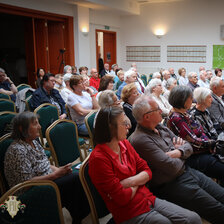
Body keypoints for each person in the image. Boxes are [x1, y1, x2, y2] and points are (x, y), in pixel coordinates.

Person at [89, 106, 200, 224]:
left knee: (193, 219)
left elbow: (147, 171)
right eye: (124, 123)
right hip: (128, 212)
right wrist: (140, 180)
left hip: (147, 198)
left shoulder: (124, 144)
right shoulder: (99, 159)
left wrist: (130, 182)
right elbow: (121, 198)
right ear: (110, 128)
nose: (128, 126)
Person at [129, 94, 224, 224]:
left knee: (222, 195)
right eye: (157, 109)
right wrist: (182, 154)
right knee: (218, 210)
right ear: (147, 116)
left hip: (187, 171)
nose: (161, 111)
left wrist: (178, 152)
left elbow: (188, 146)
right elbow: (171, 167)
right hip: (172, 184)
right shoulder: (140, 139)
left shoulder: (159, 127)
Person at [4, 112, 90, 224]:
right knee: (73, 179)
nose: (39, 127)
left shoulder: (33, 141)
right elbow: (26, 184)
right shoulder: (17, 150)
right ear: (22, 128)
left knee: (74, 176)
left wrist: (58, 170)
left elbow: (44, 163)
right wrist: (56, 175)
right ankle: (79, 216)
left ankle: (78, 215)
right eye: (35, 124)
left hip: (46, 182)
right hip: (31, 193)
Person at [167, 85, 224, 183]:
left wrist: (212, 144)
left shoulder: (185, 113)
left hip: (204, 149)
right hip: (193, 156)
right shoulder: (176, 118)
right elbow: (193, 141)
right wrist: (214, 143)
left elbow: (201, 132)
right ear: (183, 100)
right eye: (190, 98)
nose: (193, 100)